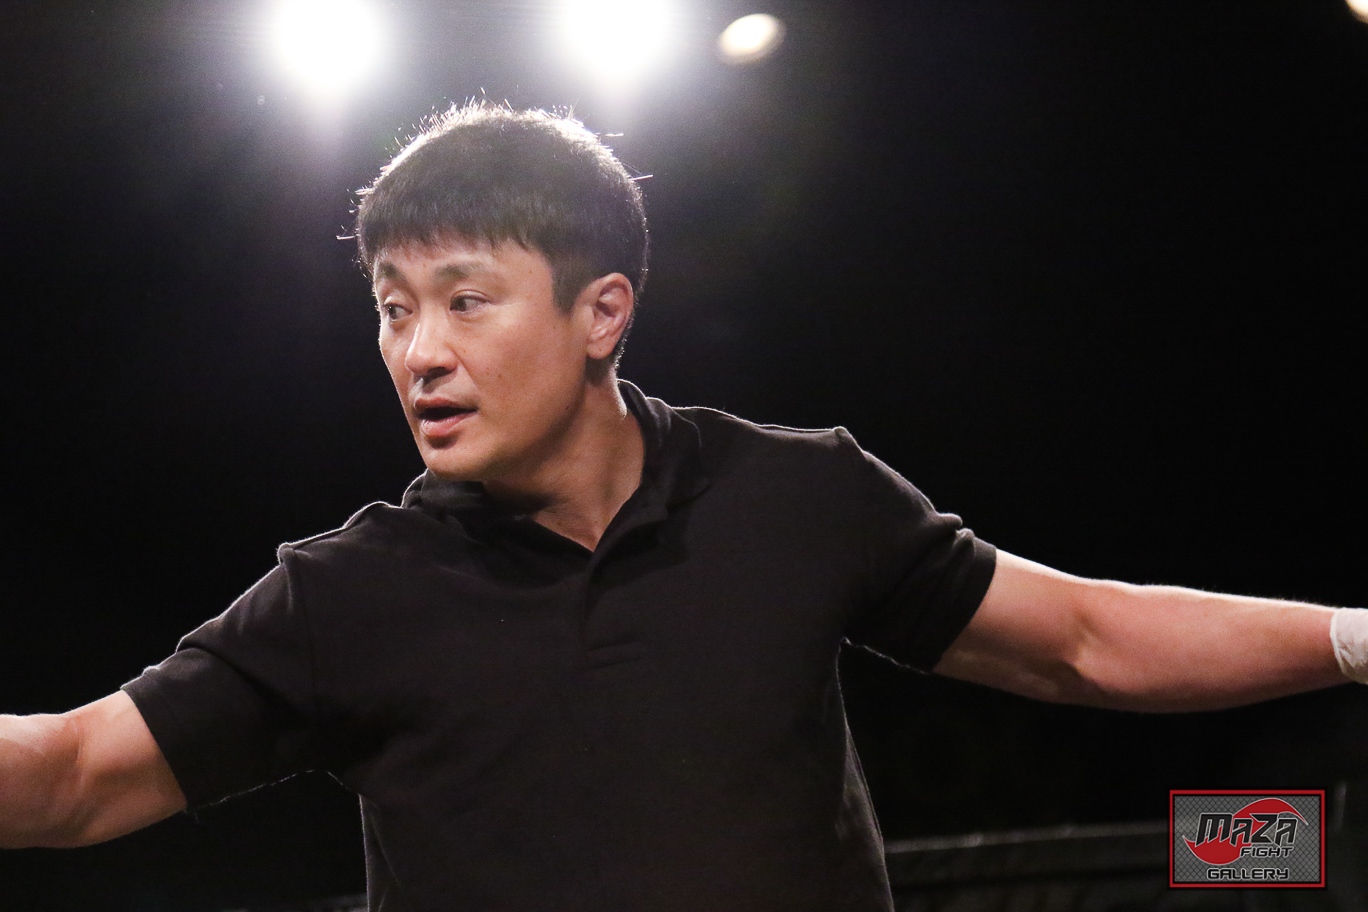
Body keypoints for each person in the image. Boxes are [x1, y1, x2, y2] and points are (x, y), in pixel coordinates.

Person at [1, 103, 1364, 911]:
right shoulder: (341, 596)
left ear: (603, 313)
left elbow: (1083, 638)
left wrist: (1356, 639)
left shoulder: (798, 494)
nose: (418, 352)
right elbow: (69, 778)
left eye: (465, 301)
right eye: (392, 309)